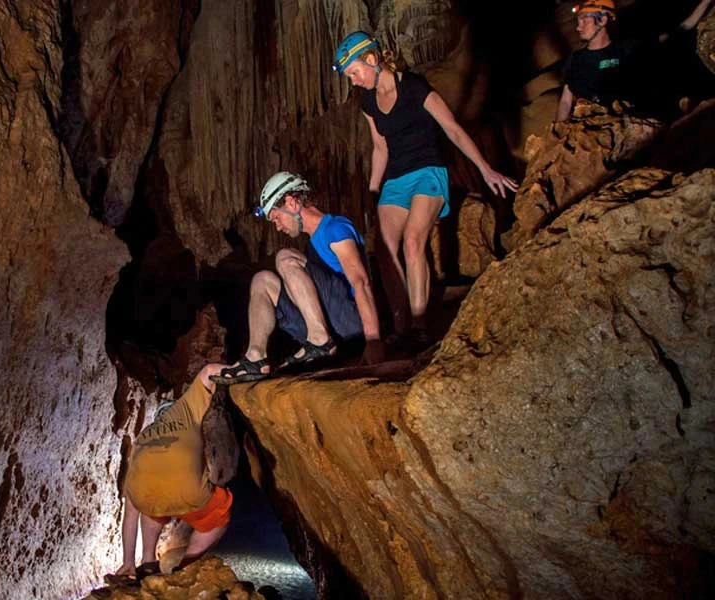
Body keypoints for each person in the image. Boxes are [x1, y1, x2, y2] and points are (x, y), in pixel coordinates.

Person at [332, 32, 518, 345]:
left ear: (372, 60)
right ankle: (401, 325)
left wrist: (485, 170)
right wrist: (373, 191)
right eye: (350, 76)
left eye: (354, 73)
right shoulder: (368, 103)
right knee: (385, 249)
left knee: (413, 240)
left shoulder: (415, 87)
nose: (354, 81)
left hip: (428, 172)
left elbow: (453, 130)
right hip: (396, 179)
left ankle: (419, 325)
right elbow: (380, 148)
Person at [210, 171, 383, 384]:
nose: (278, 226)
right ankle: (255, 357)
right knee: (262, 280)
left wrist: (373, 339)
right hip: (332, 327)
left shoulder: (335, 228)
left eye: (276, 218)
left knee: (285, 257)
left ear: (291, 203)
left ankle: (320, 342)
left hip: (351, 322)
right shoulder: (311, 246)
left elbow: (361, 282)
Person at [114, 363, 233, 577]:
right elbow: (209, 371)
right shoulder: (186, 411)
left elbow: (130, 510)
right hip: (189, 493)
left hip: (145, 495)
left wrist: (127, 561)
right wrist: (247, 366)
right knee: (220, 514)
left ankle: (146, 562)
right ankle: (186, 566)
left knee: (149, 502)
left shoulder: (143, 438)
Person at [555, 0, 637, 121]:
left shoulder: (625, 52)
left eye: (584, 21)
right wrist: (557, 132)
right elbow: (566, 101)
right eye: (578, 21)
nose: (578, 28)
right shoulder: (575, 59)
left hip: (621, 124)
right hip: (585, 127)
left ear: (602, 20)